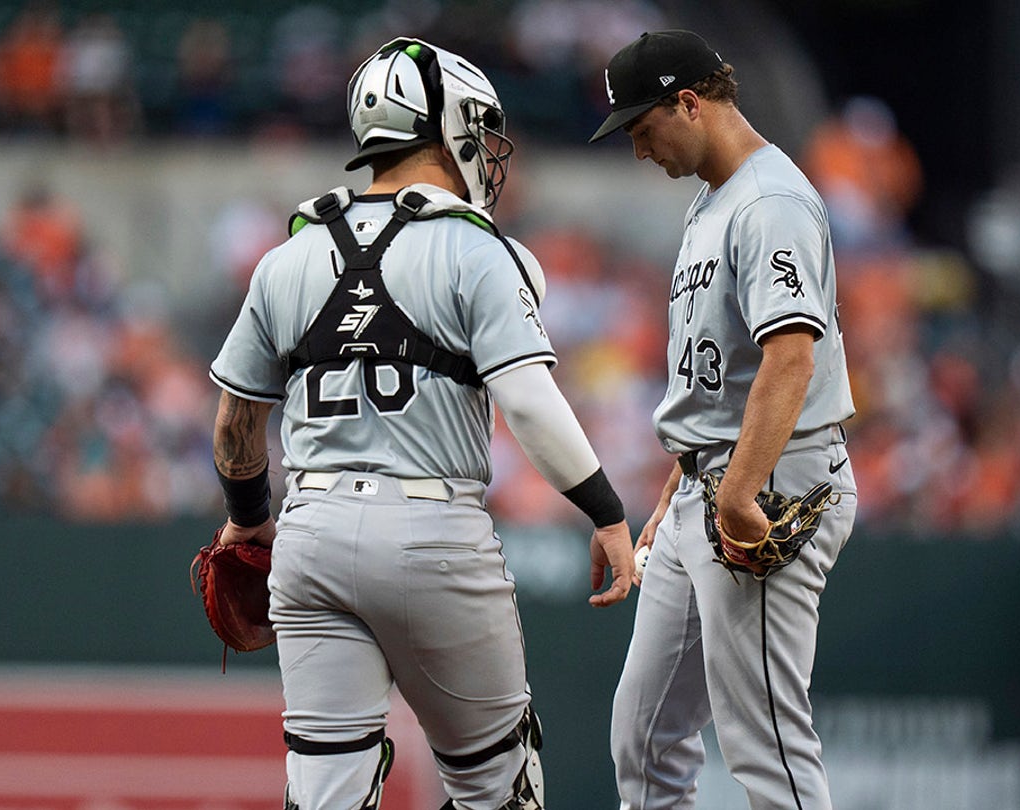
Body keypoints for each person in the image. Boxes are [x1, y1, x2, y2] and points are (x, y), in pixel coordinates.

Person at [208, 36, 637, 810]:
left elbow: (236, 423)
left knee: (326, 794)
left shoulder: (287, 256)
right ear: (450, 125)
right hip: (432, 530)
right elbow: (532, 403)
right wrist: (605, 512)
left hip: (310, 530)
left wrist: (248, 522)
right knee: (497, 788)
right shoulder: (479, 251)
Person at [588, 30, 858, 808]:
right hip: (712, 477)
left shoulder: (770, 199)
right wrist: (685, 478)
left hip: (768, 480)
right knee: (642, 736)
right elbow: (730, 369)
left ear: (689, 101)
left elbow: (791, 356)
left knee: (765, 744)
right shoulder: (715, 200)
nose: (640, 150)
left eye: (644, 130)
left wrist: (735, 492)